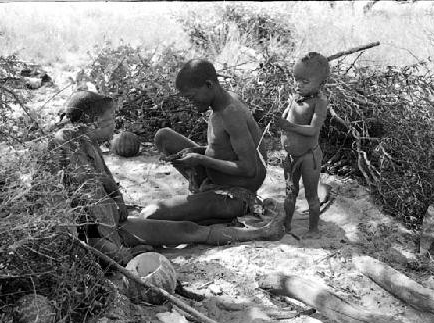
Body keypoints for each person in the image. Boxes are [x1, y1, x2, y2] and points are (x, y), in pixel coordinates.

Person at [48, 90, 283, 265]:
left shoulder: (83, 140)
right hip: (102, 236)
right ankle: (258, 232)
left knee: (186, 228)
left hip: (115, 225)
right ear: (95, 123)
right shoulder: (71, 142)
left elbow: (102, 186)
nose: (114, 127)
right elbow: (85, 203)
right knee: (183, 231)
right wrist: (122, 253)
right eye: (111, 121)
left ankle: (253, 230)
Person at [146, 59, 271, 226]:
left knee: (154, 213)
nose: (190, 103)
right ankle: (202, 198)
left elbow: (249, 169)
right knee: (164, 136)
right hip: (215, 180)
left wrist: (201, 159)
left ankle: (220, 209)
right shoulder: (221, 104)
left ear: (208, 85)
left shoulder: (231, 114)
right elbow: (226, 148)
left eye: (192, 97)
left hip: (235, 194)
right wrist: (196, 152)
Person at [275, 52, 331, 238]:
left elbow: (313, 130)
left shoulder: (320, 102)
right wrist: (281, 119)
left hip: (309, 157)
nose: (298, 85)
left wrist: (289, 126)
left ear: (320, 83)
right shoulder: (296, 96)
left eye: (304, 82)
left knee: (311, 195)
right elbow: (287, 114)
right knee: (290, 191)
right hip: (291, 155)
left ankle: (313, 230)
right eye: (296, 80)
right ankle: (286, 224)